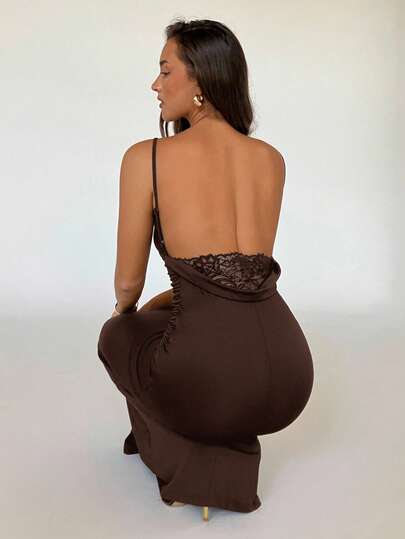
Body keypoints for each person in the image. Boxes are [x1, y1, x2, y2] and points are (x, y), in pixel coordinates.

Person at [97, 18, 314, 521]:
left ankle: (191, 470)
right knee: (175, 332)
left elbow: (128, 284)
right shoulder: (270, 159)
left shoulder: (147, 158)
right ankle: (229, 455)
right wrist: (165, 307)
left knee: (117, 336)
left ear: (200, 79)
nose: (155, 85)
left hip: (213, 376)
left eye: (165, 70)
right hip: (289, 375)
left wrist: (127, 315)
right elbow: (239, 277)